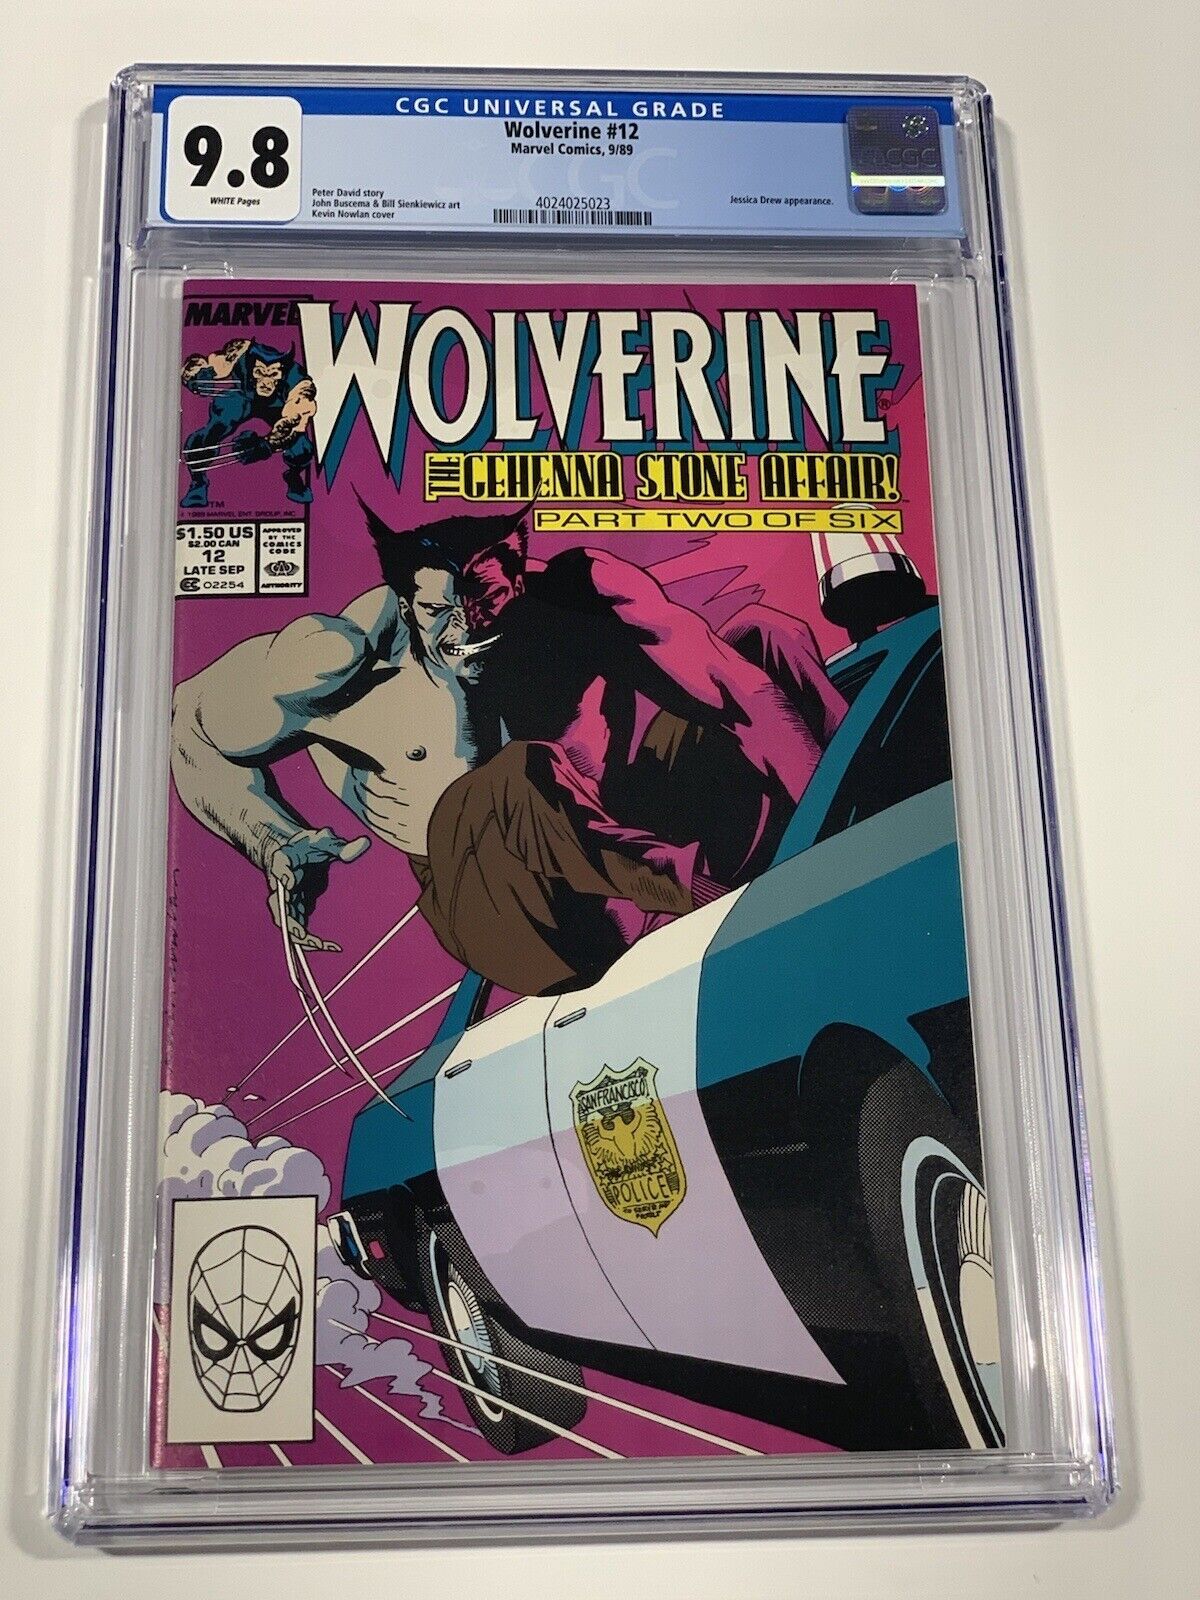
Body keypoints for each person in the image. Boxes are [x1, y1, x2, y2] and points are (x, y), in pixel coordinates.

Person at [172, 503, 846, 996]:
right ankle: (727, 911)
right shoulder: (336, 663)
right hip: (510, 914)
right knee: (519, 774)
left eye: (487, 597)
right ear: (404, 605)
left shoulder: (586, 596)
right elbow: (188, 725)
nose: (465, 628)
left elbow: (740, 694)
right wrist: (270, 838)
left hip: (621, 870)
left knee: (763, 640)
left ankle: (861, 820)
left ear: (518, 576)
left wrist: (838, 836)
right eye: (437, 611)